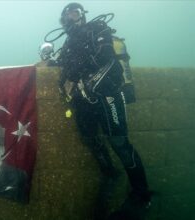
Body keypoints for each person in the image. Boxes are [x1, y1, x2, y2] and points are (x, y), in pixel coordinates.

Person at [56, 3, 152, 219]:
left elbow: (106, 57)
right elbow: (63, 67)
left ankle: (142, 193)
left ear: (83, 16)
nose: (73, 19)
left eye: (76, 13)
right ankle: (110, 172)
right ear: (63, 20)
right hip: (84, 100)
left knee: (119, 143)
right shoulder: (68, 42)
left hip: (108, 94)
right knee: (89, 138)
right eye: (68, 15)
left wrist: (85, 77)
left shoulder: (97, 29)